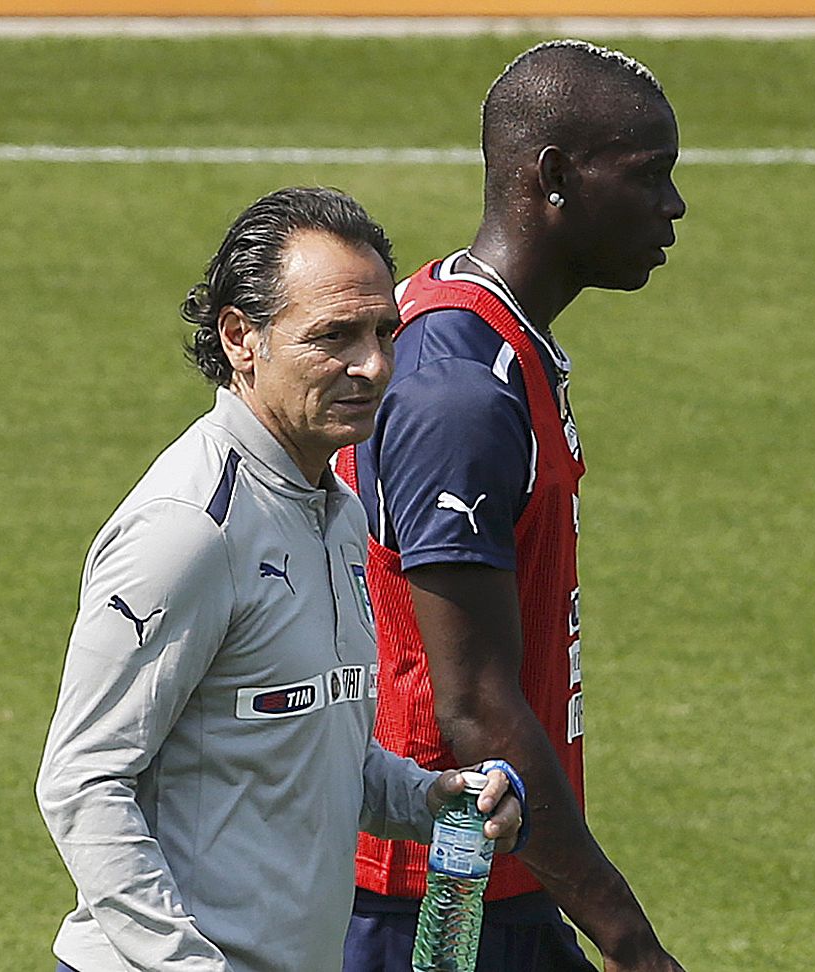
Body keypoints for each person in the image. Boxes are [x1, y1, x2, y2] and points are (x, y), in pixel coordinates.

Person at [36, 186, 525, 972]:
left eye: (382, 332)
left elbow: (314, 747)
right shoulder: (190, 529)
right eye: (333, 337)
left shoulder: (333, 508)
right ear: (241, 337)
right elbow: (83, 781)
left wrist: (430, 798)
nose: (371, 365)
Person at [338, 40, 687, 972]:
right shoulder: (459, 389)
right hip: (428, 900)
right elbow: (474, 705)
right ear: (556, 178)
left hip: (498, 863)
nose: (673, 206)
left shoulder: (487, 338)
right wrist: (633, 943)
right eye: (650, 174)